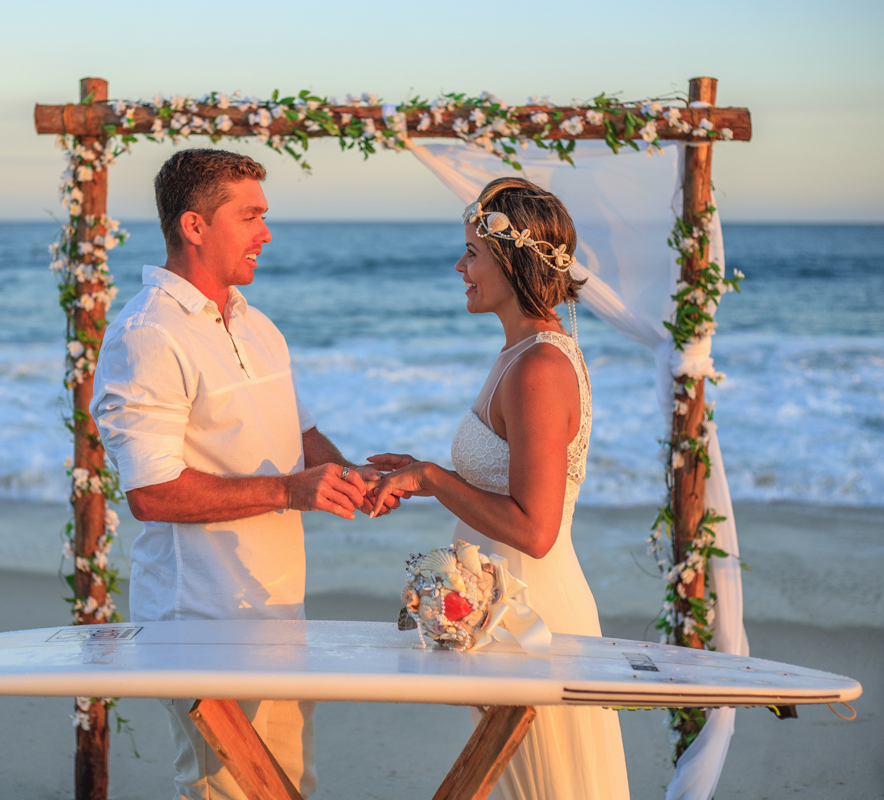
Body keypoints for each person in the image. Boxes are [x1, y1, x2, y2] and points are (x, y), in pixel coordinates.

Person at [90, 148, 390, 800]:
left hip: (278, 611)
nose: (266, 232)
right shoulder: (147, 334)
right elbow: (151, 491)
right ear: (195, 226)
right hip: (199, 620)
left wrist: (357, 477)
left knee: (286, 786)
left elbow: (300, 436)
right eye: (250, 215)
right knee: (224, 790)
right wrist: (289, 491)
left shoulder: (258, 327)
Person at [369, 177, 630, 799]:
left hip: (533, 618)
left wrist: (432, 475)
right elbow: (506, 487)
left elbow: (535, 531)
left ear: (511, 263)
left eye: (471, 253)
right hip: (501, 614)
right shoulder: (520, 354)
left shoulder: (540, 366)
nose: (460, 266)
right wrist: (431, 479)